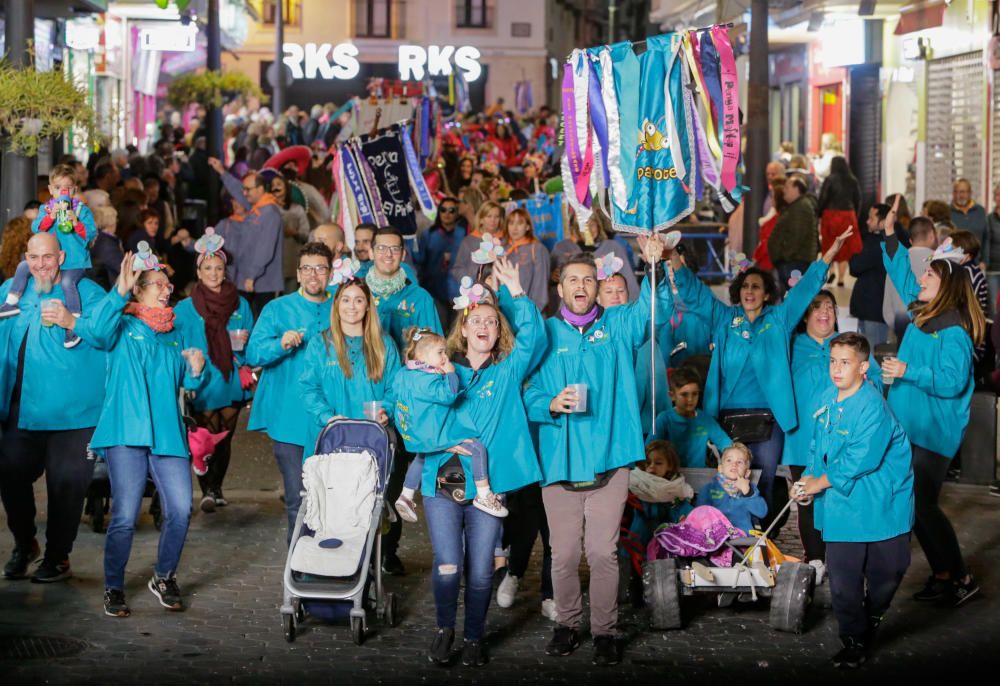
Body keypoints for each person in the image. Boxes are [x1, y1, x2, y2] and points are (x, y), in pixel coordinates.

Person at [525, 234, 668, 666]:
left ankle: (605, 630)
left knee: (603, 552)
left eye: (588, 279)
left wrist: (652, 267)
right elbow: (524, 386)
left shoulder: (619, 323)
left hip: (611, 455)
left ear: (598, 284)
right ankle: (567, 624)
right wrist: (548, 403)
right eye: (572, 280)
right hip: (560, 459)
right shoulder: (546, 333)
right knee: (563, 553)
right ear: (560, 287)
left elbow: (649, 312)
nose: (581, 286)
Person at [668, 228, 854, 526]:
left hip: (770, 418)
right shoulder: (725, 318)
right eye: (745, 287)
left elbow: (806, 290)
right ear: (738, 292)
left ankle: (762, 545)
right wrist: (672, 257)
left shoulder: (779, 319)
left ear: (767, 294)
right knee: (730, 479)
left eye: (756, 287)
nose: (749, 291)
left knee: (764, 480)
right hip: (728, 417)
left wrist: (830, 253)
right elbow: (696, 295)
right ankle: (728, 540)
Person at [67, 252, 209, 617]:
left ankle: (164, 576)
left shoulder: (176, 331)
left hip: (167, 433)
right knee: (125, 515)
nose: (166, 291)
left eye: (168, 285)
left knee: (180, 508)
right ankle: (113, 586)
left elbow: (187, 382)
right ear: (140, 290)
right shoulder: (120, 323)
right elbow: (94, 332)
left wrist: (195, 370)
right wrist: (118, 291)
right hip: (125, 432)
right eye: (159, 285)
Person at [420, 257, 546, 665]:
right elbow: (412, 410)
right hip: (443, 479)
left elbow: (534, 337)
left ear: (498, 330)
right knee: (447, 566)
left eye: (492, 322)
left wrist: (517, 291)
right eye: (477, 319)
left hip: (488, 487)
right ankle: (444, 630)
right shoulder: (440, 369)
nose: (484, 326)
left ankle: (473, 637)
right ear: (463, 326)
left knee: (479, 570)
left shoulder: (508, 371)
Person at [880, 197, 985, 605]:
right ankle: (944, 573)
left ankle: (958, 577)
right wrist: (891, 234)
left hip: (932, 435)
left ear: (947, 286)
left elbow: (952, 382)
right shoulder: (924, 312)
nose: (922, 275)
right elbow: (901, 271)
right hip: (910, 427)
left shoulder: (954, 331)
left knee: (923, 504)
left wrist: (908, 372)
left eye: (930, 274)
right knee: (917, 504)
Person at [795, 332, 913, 669]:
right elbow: (819, 448)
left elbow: (862, 458)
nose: (836, 369)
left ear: (863, 368)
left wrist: (818, 482)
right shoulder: (827, 398)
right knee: (844, 583)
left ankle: (873, 613)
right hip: (843, 508)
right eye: (832, 361)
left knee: (889, 572)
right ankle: (854, 640)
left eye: (844, 362)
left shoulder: (873, 406)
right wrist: (806, 478)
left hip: (882, 504)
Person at [0, 233, 108, 582]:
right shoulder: (9, 291)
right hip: (20, 408)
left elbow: (109, 334)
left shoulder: (87, 292)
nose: (40, 264)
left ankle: (58, 556)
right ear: (25, 258)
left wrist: (72, 321)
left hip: (74, 414)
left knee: (67, 485)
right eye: (33, 257)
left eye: (47, 257)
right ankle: (24, 542)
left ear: (61, 256)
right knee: (9, 473)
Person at [784, 290, 881, 574]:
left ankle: (843, 558)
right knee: (807, 497)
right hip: (802, 438)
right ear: (804, 315)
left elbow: (873, 378)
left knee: (841, 492)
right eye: (816, 307)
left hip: (844, 437)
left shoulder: (846, 345)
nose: (824, 312)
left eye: (830, 306)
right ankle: (815, 559)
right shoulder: (790, 346)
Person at [245, 242, 334, 544]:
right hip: (289, 418)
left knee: (336, 499)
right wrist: (279, 344)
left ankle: (336, 569)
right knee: (299, 499)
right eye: (307, 268)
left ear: (330, 273)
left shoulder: (342, 306)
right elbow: (253, 354)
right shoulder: (277, 309)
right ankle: (299, 572)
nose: (313, 275)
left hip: (333, 418)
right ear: (297, 274)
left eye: (320, 268)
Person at [174, 230, 254, 513]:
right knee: (205, 436)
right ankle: (206, 489)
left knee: (225, 437)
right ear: (198, 270)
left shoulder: (240, 303)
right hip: (202, 378)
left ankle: (216, 488)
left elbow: (250, 340)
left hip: (230, 377)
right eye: (207, 268)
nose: (213, 273)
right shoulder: (184, 308)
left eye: (218, 268)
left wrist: (244, 349)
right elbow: (177, 343)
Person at [392, 328, 506, 520]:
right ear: (422, 356)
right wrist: (451, 374)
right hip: (436, 434)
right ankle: (484, 494)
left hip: (416, 433)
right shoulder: (428, 380)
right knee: (477, 449)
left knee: (422, 456)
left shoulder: (403, 374)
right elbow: (449, 395)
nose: (445, 357)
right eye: (440, 352)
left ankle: (406, 494)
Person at [298, 259, 399, 459]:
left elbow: (396, 389)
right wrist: (328, 418)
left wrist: (385, 411)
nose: (352, 306)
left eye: (359, 300)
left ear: (368, 306)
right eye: (345, 299)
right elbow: (308, 389)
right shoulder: (320, 344)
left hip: (372, 441)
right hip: (329, 440)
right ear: (336, 305)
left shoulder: (385, 345)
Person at [0, 164, 98, 349]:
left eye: (68, 188)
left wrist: (76, 222)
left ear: (74, 190)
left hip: (74, 262)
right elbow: (35, 228)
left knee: (68, 284)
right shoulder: (46, 209)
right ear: (51, 190)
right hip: (51, 261)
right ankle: (11, 302)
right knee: (22, 267)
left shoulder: (82, 211)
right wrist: (50, 217)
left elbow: (91, 235)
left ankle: (74, 323)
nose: (63, 192)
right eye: (59, 188)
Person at [207, 157, 283, 319]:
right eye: (244, 189)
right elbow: (236, 190)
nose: (244, 193)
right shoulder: (257, 208)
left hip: (259, 283)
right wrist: (222, 172)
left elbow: (265, 250)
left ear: (261, 189)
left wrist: (251, 276)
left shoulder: (269, 213)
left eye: (248, 189)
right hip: (248, 279)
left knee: (259, 322)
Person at [551, 210, 638, 304]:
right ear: (575, 228)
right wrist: (553, 277)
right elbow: (549, 281)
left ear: (598, 225)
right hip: (575, 309)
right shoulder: (562, 248)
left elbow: (630, 283)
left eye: (592, 225)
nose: (588, 230)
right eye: (583, 226)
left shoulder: (613, 247)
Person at [652, 366, 732, 468]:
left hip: (699, 476)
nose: (690, 399)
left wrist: (737, 455)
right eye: (684, 394)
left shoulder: (706, 420)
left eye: (694, 394)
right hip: (670, 478)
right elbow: (650, 450)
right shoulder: (664, 419)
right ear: (672, 395)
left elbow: (727, 445)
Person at [883, 216, 936, 341]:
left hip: (901, 327)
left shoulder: (897, 262)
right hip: (933, 330)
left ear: (910, 240)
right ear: (932, 235)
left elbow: (887, 305)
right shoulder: (941, 262)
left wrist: (896, 325)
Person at [696, 443, 767, 533]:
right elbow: (699, 515)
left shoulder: (750, 490)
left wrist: (748, 493)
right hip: (714, 536)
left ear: (747, 472)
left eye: (740, 462)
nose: (734, 464)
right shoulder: (709, 489)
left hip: (742, 538)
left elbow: (762, 513)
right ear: (720, 468)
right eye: (729, 460)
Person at [849, 203, 891, 347]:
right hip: (870, 308)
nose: (867, 221)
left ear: (883, 222)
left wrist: (854, 256)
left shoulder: (879, 243)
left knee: (871, 353)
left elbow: (855, 266)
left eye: (871, 218)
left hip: (874, 310)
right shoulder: (877, 240)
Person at [768, 175, 820, 290]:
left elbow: (796, 237)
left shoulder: (801, 207)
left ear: (796, 189)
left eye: (787, 187)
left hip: (794, 263)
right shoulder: (796, 206)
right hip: (792, 262)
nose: (783, 190)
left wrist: (784, 258)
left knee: (792, 299)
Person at [818, 156, 862, 286]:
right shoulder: (852, 180)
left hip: (830, 215)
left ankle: (831, 272)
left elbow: (823, 198)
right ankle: (842, 278)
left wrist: (819, 213)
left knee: (830, 245)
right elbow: (858, 200)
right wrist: (855, 215)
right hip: (848, 215)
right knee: (845, 247)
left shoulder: (829, 179)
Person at [417, 196, 467, 308]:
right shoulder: (428, 234)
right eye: (443, 210)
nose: (447, 214)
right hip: (433, 291)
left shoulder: (463, 234)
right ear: (439, 212)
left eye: (451, 210)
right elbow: (420, 262)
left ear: (457, 213)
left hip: (459, 291)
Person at [449, 201, 506, 299]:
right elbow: (457, 269)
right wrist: (472, 281)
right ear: (481, 219)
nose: (493, 220)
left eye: (496, 217)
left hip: (502, 293)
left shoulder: (505, 240)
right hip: (475, 293)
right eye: (489, 216)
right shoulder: (469, 241)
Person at [503, 208, 551, 311]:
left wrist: (531, 313)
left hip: (528, 312)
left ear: (528, 226)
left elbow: (541, 289)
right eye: (511, 223)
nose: (514, 228)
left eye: (520, 223)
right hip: (506, 312)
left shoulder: (537, 249)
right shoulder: (502, 250)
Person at [271, 173, 310, 293]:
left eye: (278, 184)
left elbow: (306, 233)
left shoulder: (297, 209)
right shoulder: (268, 208)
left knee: (290, 294)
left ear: (286, 188)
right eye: (272, 185)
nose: (275, 187)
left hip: (292, 259)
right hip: (273, 261)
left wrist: (294, 233)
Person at [89, 205, 124, 291]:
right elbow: (121, 267)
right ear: (111, 222)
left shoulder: (99, 238)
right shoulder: (106, 243)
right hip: (109, 286)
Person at [949, 178, 987, 246]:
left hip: (978, 256)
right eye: (955, 192)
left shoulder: (980, 211)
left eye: (962, 192)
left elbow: (986, 237)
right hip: (955, 255)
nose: (959, 196)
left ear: (970, 193)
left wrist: (986, 256)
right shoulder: (947, 212)